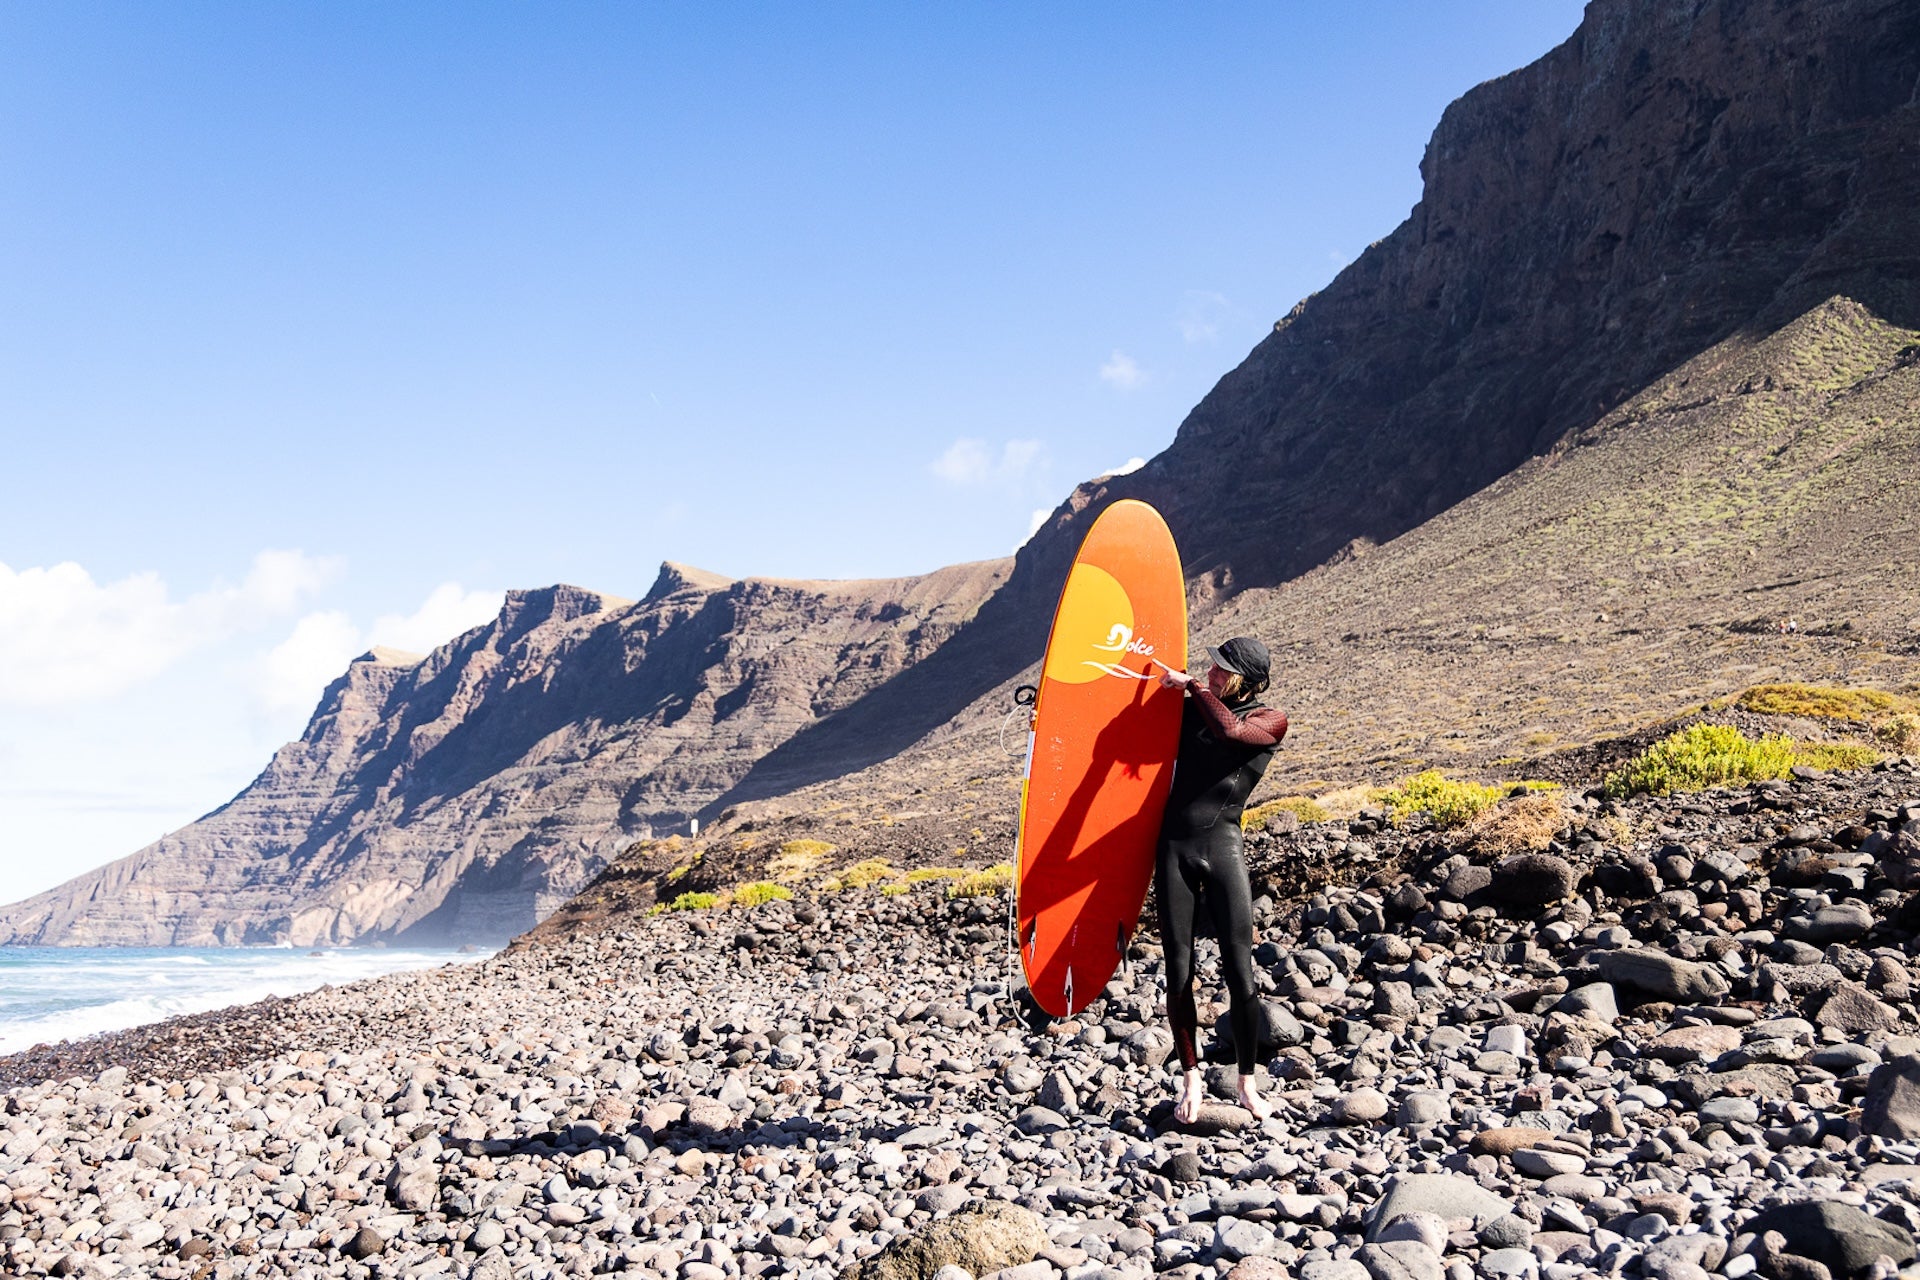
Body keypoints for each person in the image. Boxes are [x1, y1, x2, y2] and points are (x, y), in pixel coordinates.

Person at [1154, 635, 1288, 1122]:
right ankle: (1190, 1078)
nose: (1210, 674)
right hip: (1173, 849)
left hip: (1222, 847)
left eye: (1220, 671)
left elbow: (1232, 733)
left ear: (1245, 681)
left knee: (1239, 969)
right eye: (1209, 669)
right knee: (1178, 970)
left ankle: (1247, 1083)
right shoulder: (1197, 709)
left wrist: (1192, 686)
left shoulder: (1270, 720)